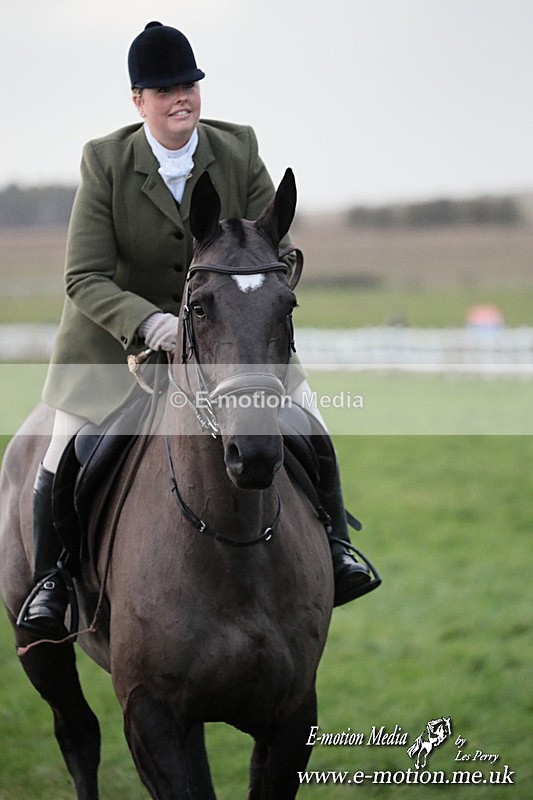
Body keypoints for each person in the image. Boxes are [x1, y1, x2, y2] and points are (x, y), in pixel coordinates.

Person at [17, 21, 373, 639]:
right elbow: (83, 276)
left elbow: (279, 248)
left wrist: (250, 297)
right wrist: (151, 323)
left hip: (230, 334)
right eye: (165, 90)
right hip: (117, 342)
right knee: (62, 446)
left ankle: (338, 547)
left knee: (310, 417)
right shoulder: (104, 162)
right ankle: (52, 580)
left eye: (189, 85)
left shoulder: (237, 148)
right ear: (139, 101)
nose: (181, 97)